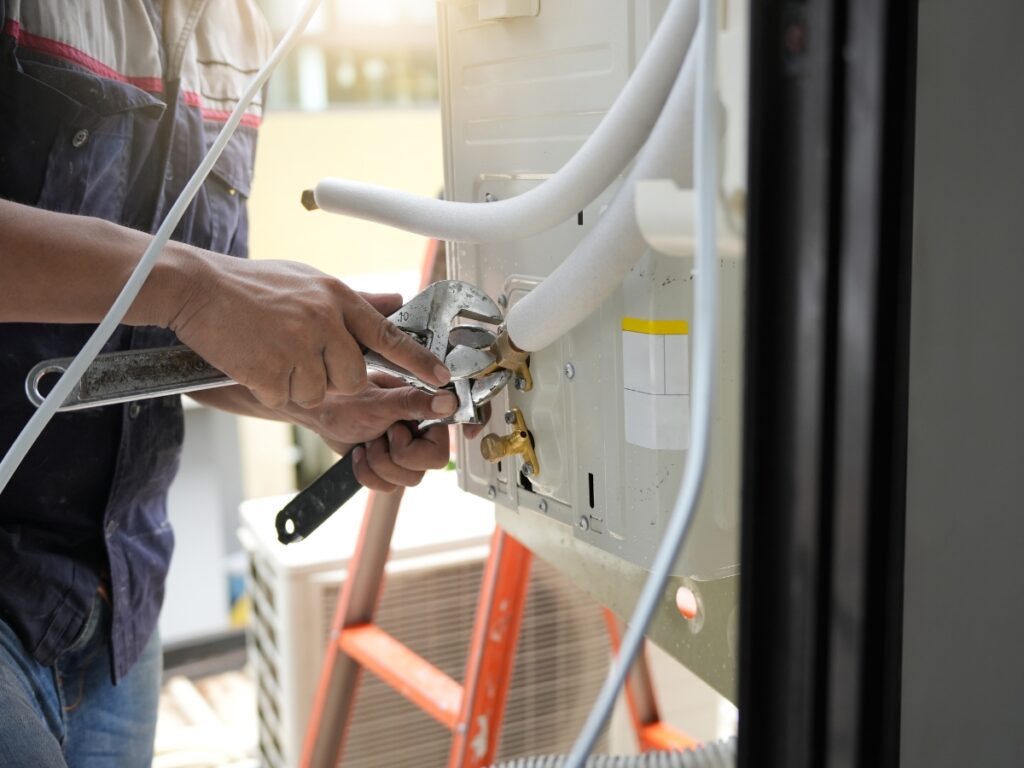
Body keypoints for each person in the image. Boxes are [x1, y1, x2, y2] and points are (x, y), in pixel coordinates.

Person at [0, 2, 460, 766]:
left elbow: (174, 333)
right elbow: (187, 294)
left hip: (119, 607)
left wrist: (317, 399)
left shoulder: (246, 30)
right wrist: (195, 284)